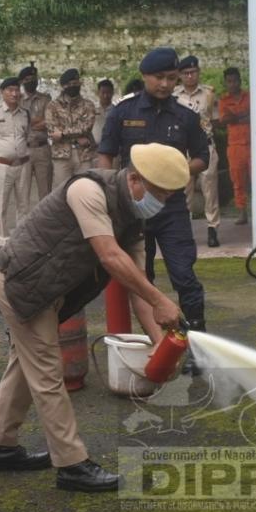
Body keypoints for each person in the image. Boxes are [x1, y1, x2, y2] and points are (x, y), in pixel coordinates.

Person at [0, 143, 186, 492]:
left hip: (49, 291)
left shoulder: (132, 219)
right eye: (159, 194)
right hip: (23, 285)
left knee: (26, 364)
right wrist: (162, 300)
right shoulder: (88, 190)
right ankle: (72, 465)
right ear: (135, 179)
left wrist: (161, 344)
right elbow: (110, 256)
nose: (161, 204)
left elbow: (138, 287)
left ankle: (0, 446)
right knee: (48, 374)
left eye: (168, 198)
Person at [97, 47, 210, 375]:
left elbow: (203, 157)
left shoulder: (185, 117)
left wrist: (176, 171)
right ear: (145, 76)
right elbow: (106, 154)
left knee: (184, 276)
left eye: (171, 79)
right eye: (158, 78)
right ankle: (158, 342)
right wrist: (107, 191)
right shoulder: (123, 112)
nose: (164, 84)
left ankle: (196, 347)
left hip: (172, 207)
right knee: (140, 278)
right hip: (132, 210)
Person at [174, 55, 221, 247]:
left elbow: (215, 121)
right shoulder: (174, 96)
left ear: (198, 72)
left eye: (193, 72)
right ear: (180, 75)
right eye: (186, 73)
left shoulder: (209, 94)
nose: (190, 76)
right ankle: (184, 229)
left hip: (205, 145)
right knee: (184, 190)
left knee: (210, 189)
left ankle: (212, 229)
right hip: (182, 149)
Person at [0, 77, 32, 250]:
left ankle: (21, 239)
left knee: (24, 204)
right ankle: (1, 241)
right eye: (10, 90)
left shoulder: (25, 113)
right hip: (2, 165)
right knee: (0, 205)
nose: (14, 93)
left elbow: (26, 136)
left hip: (23, 164)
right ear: (2, 92)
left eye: (17, 90)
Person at [47, 68, 98, 187]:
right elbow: (52, 130)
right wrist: (76, 138)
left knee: (85, 190)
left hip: (84, 155)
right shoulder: (53, 106)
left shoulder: (88, 104)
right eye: (71, 84)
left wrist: (63, 134)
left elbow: (86, 127)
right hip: (61, 156)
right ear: (64, 86)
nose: (74, 86)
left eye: (76, 83)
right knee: (61, 192)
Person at [218, 67, 251, 225]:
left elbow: (254, 114)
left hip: (252, 144)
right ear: (225, 83)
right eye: (229, 81)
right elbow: (224, 120)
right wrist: (243, 116)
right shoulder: (224, 100)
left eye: (235, 80)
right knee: (237, 180)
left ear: (240, 80)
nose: (233, 84)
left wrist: (235, 117)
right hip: (235, 145)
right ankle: (242, 212)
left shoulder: (249, 96)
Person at [20, 64, 53, 204]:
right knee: (22, 190)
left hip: (42, 148)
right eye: (27, 79)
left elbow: (50, 121)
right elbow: (19, 124)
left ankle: (46, 223)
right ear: (22, 82)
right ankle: (24, 223)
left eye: (34, 78)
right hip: (24, 149)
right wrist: (38, 121)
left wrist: (30, 122)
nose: (31, 81)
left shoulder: (45, 99)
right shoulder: (18, 100)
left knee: (45, 191)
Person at [93, 78, 115, 143]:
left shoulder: (117, 109)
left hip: (112, 147)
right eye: (103, 93)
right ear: (98, 93)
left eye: (108, 93)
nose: (105, 96)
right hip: (93, 147)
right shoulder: (92, 109)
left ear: (113, 93)